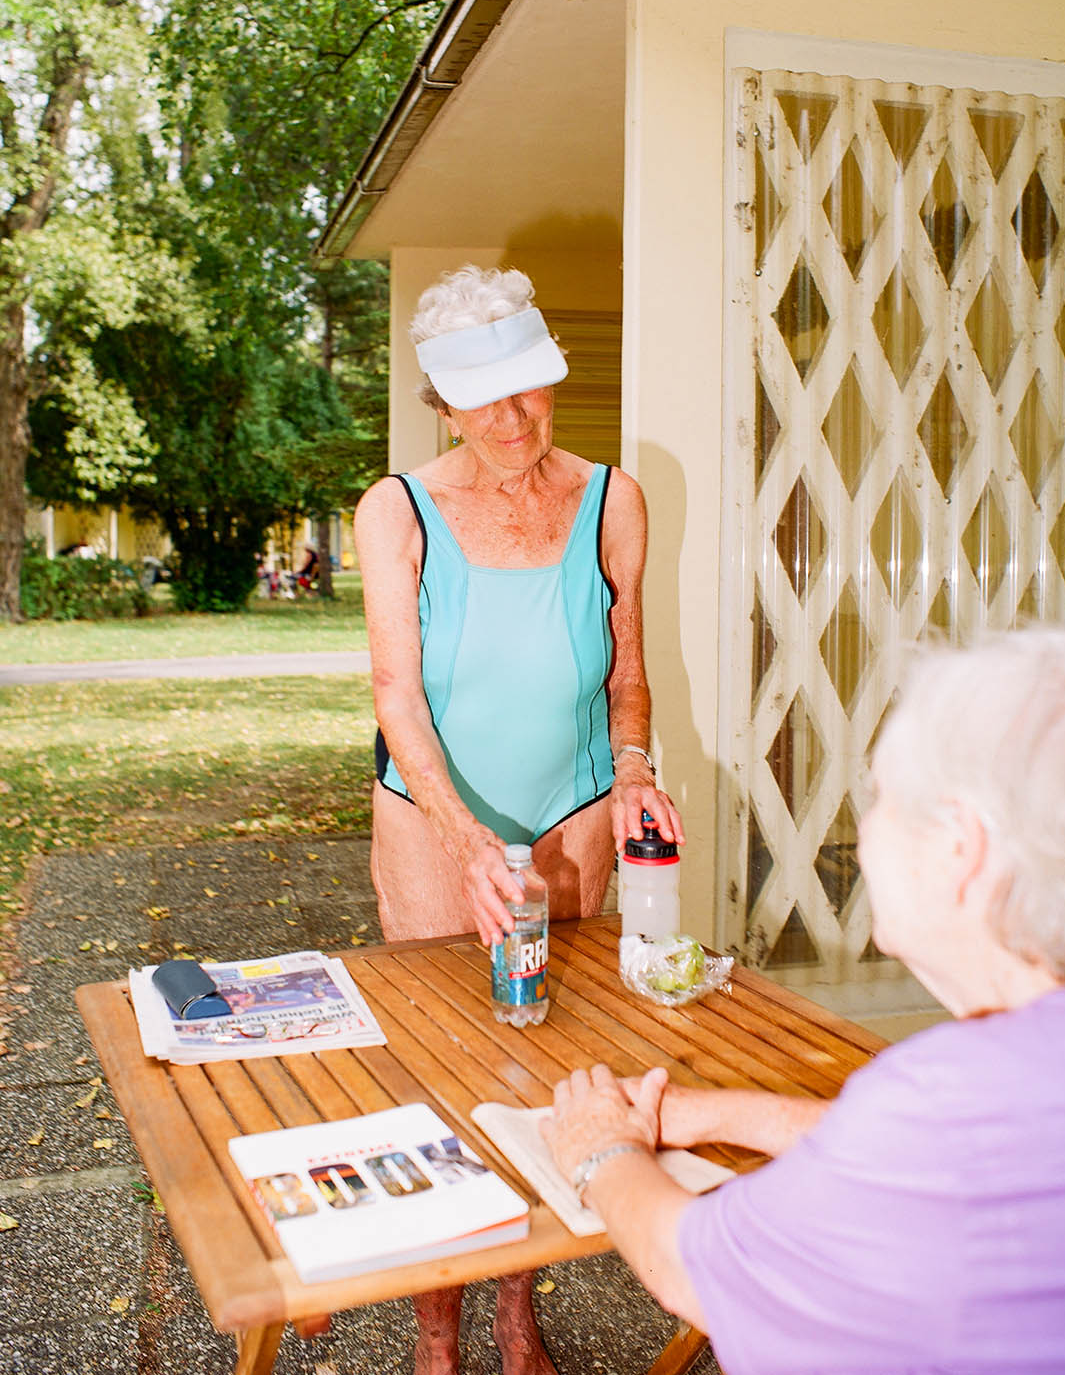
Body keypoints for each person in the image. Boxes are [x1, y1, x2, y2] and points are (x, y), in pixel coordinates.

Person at [543, 628, 1065, 1375]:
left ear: (960, 849)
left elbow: (686, 1268)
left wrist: (600, 1146)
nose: (865, 830)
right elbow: (978, 1146)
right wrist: (718, 1112)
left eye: (882, 797)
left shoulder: (939, 1107)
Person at [354, 263, 684, 1375]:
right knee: (444, 1068)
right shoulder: (395, 510)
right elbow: (396, 695)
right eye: (485, 397)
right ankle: (438, 1332)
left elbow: (627, 674)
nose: (514, 419)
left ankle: (517, 1309)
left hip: (574, 816)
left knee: (548, 1059)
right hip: (435, 818)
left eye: (532, 390)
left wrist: (633, 766)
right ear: (443, 400)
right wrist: (462, 840)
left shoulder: (613, 497)